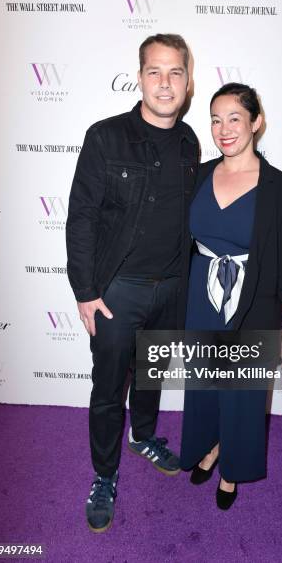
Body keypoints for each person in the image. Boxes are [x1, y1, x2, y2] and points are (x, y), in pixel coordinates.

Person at [66, 34, 199, 532]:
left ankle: (143, 436)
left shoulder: (189, 140)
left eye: (175, 73)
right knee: (108, 388)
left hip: (171, 287)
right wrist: (85, 290)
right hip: (119, 288)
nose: (165, 84)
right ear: (139, 76)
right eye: (154, 72)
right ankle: (104, 475)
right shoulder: (106, 136)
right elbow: (81, 217)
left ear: (188, 82)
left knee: (151, 375)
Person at [179, 82, 282, 510]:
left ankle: (232, 468)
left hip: (254, 301)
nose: (224, 128)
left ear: (256, 122)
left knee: (243, 392)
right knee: (207, 385)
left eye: (234, 117)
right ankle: (211, 446)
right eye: (216, 119)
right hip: (201, 294)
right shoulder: (197, 175)